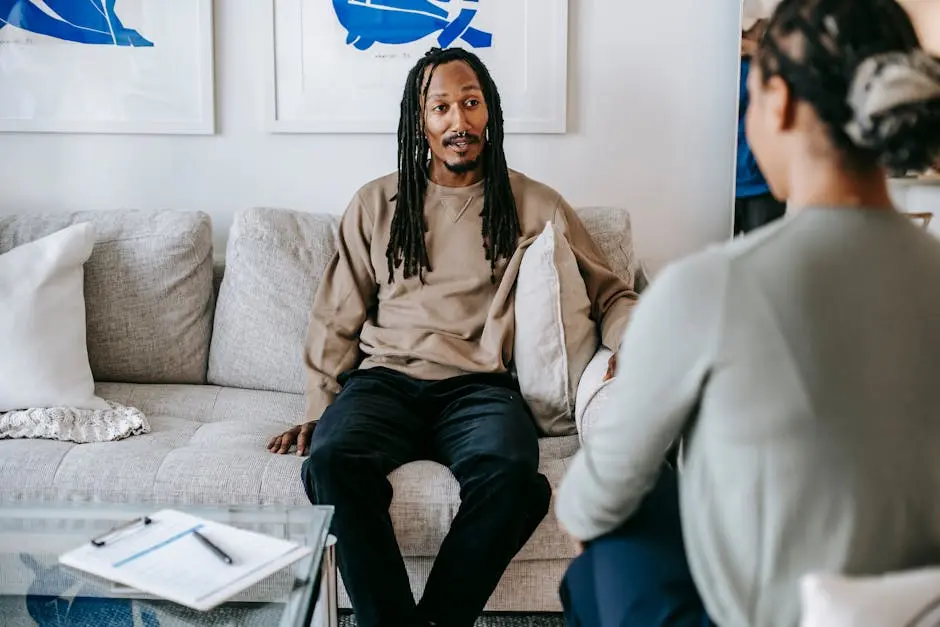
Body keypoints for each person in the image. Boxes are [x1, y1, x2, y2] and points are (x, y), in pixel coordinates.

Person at [555, 0, 940, 626]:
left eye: (750, 95)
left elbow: (588, 507)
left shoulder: (709, 287)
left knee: (606, 535)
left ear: (779, 101)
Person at [267, 46, 638, 627]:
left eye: (471, 103)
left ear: (489, 112)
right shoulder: (375, 204)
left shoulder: (534, 203)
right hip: (385, 382)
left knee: (515, 483)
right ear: (421, 120)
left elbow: (611, 293)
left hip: (481, 388)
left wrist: (632, 345)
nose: (458, 122)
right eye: (441, 107)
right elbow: (337, 316)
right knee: (331, 464)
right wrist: (321, 404)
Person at [735, 4, 788, 234]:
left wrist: (759, 53)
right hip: (723, 188)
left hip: (764, 184)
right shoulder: (715, 68)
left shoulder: (774, 67)